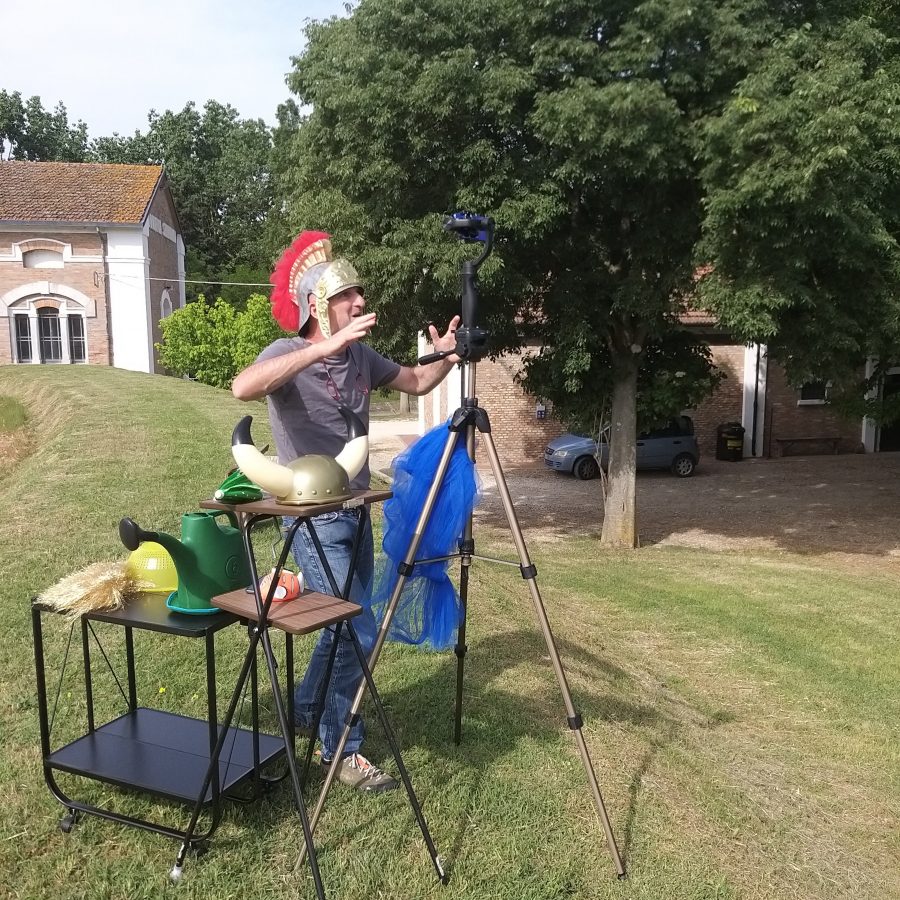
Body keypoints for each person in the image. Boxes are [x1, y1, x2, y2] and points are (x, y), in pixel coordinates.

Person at [232, 231, 460, 792]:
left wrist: (447, 357)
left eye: (359, 294)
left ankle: (307, 706)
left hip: (356, 509)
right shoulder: (287, 353)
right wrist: (320, 350)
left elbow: (415, 378)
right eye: (346, 296)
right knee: (355, 625)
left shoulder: (361, 356)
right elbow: (243, 388)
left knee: (345, 622)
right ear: (318, 306)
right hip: (311, 517)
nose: (360, 303)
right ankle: (342, 748)